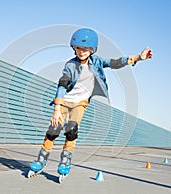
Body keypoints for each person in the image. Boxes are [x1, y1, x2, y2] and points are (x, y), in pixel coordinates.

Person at [28, 28, 153, 178]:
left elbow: (115, 63)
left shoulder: (97, 62)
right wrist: (57, 108)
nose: (81, 52)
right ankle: (41, 160)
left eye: (86, 49)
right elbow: (62, 85)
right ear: (74, 48)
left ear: (92, 50)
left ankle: (65, 161)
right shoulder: (70, 65)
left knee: (71, 129)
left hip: (80, 103)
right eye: (78, 48)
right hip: (65, 100)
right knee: (54, 129)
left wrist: (139, 57)